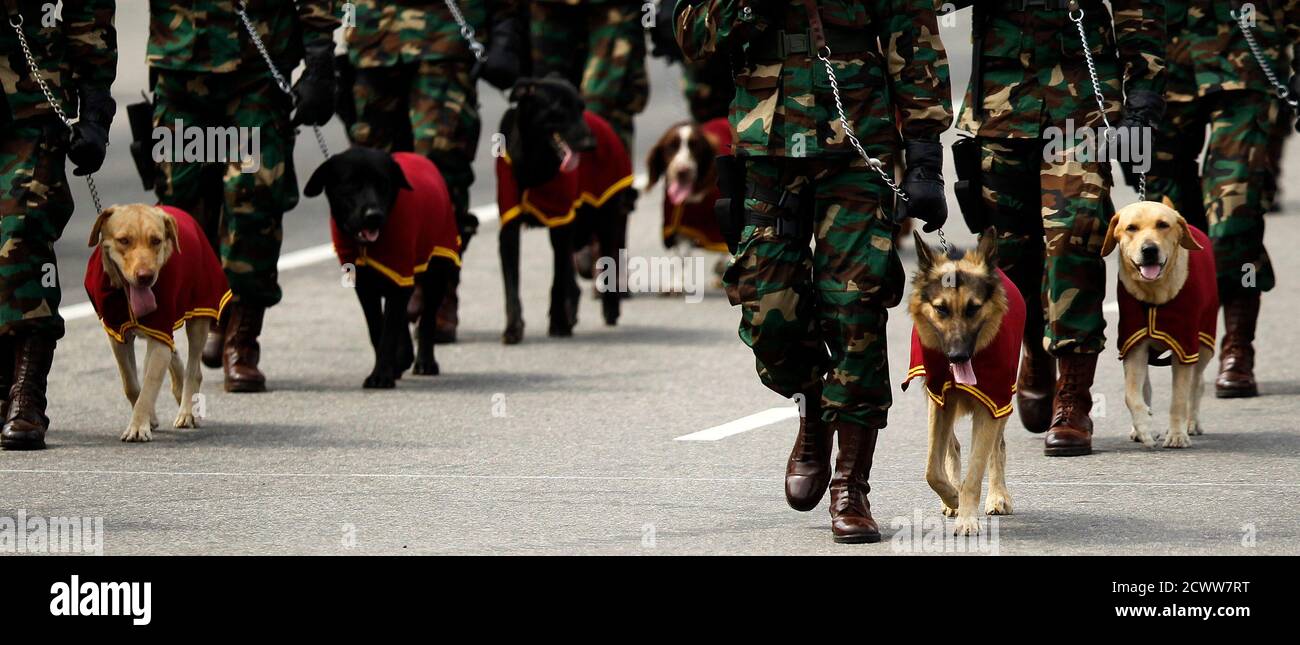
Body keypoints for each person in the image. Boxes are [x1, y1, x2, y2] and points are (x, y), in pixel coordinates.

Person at [676, 0, 952, 543]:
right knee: (767, 309)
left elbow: (913, 36)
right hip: (766, 148)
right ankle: (813, 405)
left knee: (855, 308)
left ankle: (851, 485)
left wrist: (923, 158)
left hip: (856, 144)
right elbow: (692, 36)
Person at [957, 0, 1165, 456]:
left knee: (1076, 235)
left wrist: (1144, 90)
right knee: (1010, 257)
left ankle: (1073, 397)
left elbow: (1140, 10)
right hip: (999, 105)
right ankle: (1035, 352)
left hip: (1082, 106)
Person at [147, 0, 339, 392]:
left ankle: (242, 338)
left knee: (253, 198)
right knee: (182, 208)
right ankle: (213, 311)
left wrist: (319, 59)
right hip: (180, 66)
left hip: (256, 70)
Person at [1143, 0, 1300, 399]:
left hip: (1246, 68)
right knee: (1172, 220)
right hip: (1162, 73)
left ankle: (1237, 346)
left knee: (1234, 214)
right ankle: (1182, 329)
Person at [345, 0, 523, 344]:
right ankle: (393, 285)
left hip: (445, 39)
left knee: (442, 170)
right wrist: (328, 47)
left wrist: (505, 34)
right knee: (372, 177)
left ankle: (439, 289)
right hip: (372, 42)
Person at [0, 0, 117, 450]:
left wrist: (94, 111)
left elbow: (89, 18)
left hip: (33, 108)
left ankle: (26, 396)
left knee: (23, 235)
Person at [530, 0, 648, 156]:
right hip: (547, 9)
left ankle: (608, 177)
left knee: (603, 112)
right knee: (546, 108)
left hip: (612, 10)